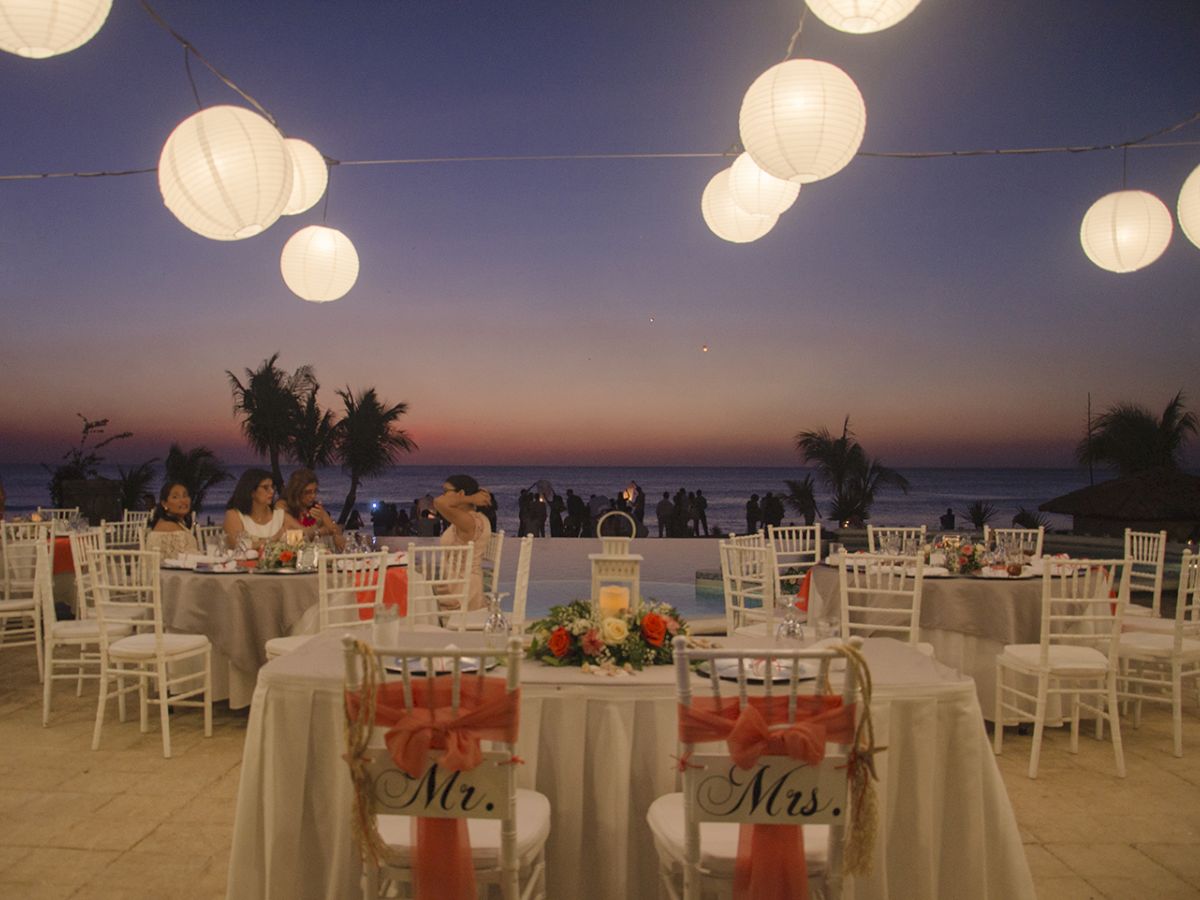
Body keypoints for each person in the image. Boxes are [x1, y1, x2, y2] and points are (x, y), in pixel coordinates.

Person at [433, 474, 493, 611]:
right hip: (454, 582)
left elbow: (438, 502)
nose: (442, 496)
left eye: (445, 492)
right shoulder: (462, 519)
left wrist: (469, 498)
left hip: (462, 587)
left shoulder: (469, 521)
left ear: (460, 493)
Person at [223, 468, 302, 549]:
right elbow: (238, 546)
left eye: (272, 487)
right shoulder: (234, 515)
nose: (272, 491)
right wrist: (274, 538)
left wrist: (315, 524)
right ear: (251, 492)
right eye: (266, 487)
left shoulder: (279, 515)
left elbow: (304, 533)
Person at [278, 469, 344, 549]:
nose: (313, 496)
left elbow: (335, 531)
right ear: (296, 491)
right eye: (308, 492)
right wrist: (320, 531)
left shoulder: (314, 507)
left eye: (315, 491)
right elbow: (302, 533)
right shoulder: (282, 505)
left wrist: (324, 517)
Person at [145, 481, 199, 559]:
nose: (183, 500)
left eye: (185, 495)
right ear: (164, 504)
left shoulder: (168, 522)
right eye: (175, 497)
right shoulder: (169, 527)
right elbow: (187, 559)